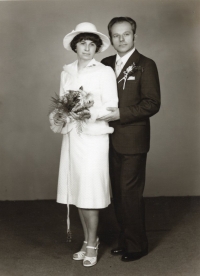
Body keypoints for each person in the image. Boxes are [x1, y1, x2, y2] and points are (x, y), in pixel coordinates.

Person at [49, 22, 118, 267]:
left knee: (90, 191)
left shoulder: (103, 71)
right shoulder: (66, 71)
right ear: (75, 46)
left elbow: (111, 107)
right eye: (83, 43)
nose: (87, 48)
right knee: (78, 190)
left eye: (92, 44)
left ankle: (91, 243)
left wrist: (88, 110)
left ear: (97, 47)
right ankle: (89, 238)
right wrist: (63, 115)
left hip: (94, 138)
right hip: (73, 137)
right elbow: (61, 106)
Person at [100, 17, 161, 262]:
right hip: (107, 139)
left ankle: (137, 245)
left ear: (134, 36)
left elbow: (152, 103)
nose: (121, 39)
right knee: (118, 193)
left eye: (126, 34)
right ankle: (125, 240)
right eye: (116, 35)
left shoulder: (146, 64)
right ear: (111, 38)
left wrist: (121, 114)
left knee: (130, 194)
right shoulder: (104, 64)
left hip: (133, 140)